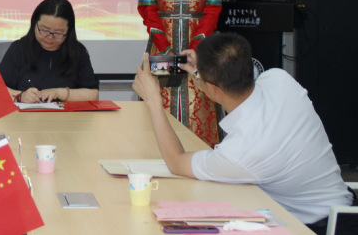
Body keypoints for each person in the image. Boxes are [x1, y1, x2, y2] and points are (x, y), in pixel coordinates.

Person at [132, 33, 356, 234]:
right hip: (342, 205)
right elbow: (239, 82)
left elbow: (176, 161)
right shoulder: (280, 80)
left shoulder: (242, 153)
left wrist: (153, 101)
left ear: (213, 89)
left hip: (314, 228)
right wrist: (204, 74)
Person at [136, 0, 227, 146]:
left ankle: (199, 158)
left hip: (200, 48)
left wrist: (196, 45)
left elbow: (212, 11)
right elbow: (148, 10)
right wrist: (164, 45)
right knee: (160, 102)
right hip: (161, 44)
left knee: (201, 102)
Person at [0, 0, 99, 103]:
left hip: (65, 113)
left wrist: (58, 93)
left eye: (58, 33)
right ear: (34, 24)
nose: (50, 37)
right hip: (26, 113)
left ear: (69, 31)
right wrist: (20, 96)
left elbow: (93, 95)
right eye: (44, 30)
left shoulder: (77, 52)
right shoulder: (19, 49)